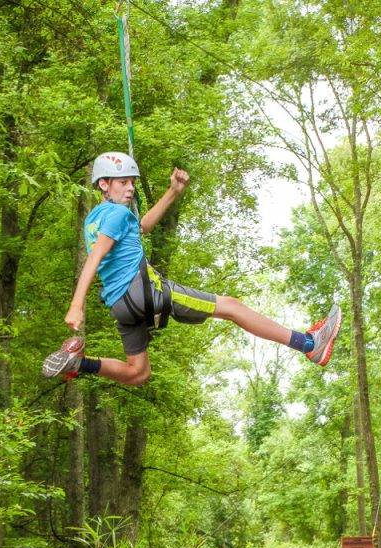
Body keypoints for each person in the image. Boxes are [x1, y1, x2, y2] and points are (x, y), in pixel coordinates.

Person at [42, 152, 342, 385]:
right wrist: (76, 305)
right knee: (231, 307)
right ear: (103, 185)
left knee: (138, 373)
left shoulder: (96, 218)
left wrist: (173, 191)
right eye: (123, 182)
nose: (131, 188)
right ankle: (309, 344)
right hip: (144, 292)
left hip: (121, 304)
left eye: (132, 182)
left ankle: (80, 364)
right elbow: (94, 258)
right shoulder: (117, 214)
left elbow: (142, 227)